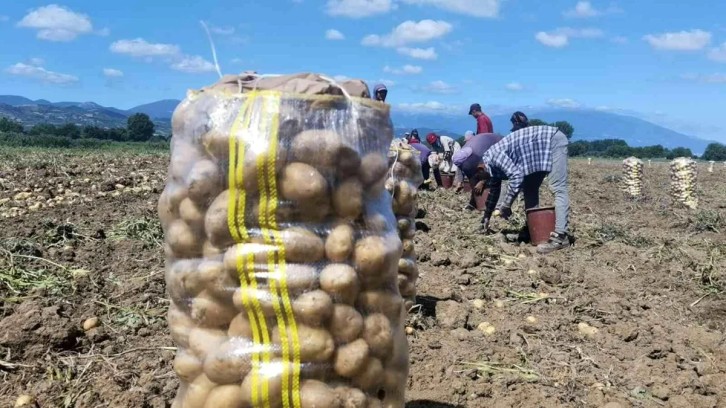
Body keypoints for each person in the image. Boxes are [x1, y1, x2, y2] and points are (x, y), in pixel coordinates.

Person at [479, 125, 571, 254]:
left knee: (558, 187)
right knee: (530, 188)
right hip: (537, 151)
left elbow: (516, 176)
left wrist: (506, 205)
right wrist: (487, 216)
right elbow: (495, 189)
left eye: (482, 180)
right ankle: (533, 229)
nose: (485, 183)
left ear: (480, 168)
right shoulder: (490, 166)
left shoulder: (494, 157)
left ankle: (561, 236)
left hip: (552, 141)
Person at [452, 132, 503, 209]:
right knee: (477, 177)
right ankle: (474, 203)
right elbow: (470, 175)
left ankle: (497, 205)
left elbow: (488, 167)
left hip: (498, 144)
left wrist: (482, 182)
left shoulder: (478, 153)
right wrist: (461, 182)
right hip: (484, 149)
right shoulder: (463, 154)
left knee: (496, 177)